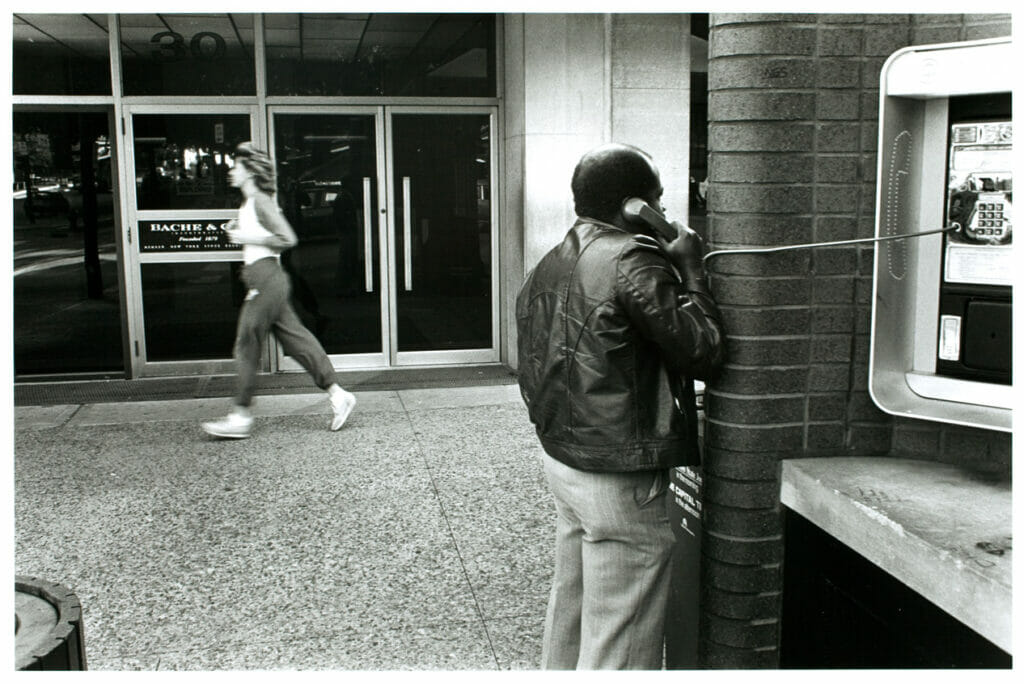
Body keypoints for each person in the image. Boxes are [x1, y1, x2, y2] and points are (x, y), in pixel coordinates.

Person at [515, 143, 726, 669]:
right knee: (621, 636)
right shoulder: (633, 257)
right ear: (637, 205)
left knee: (574, 607)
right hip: (619, 472)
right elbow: (703, 349)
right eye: (657, 197)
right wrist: (691, 272)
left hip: (565, 460)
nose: (662, 208)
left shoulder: (553, 259)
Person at [202, 142, 356, 439]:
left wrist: (244, 235)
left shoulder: (259, 199)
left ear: (249, 171)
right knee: (297, 340)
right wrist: (243, 229)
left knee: (246, 343)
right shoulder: (252, 203)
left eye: (236, 166)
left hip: (267, 280)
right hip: (265, 279)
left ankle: (241, 415)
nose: (231, 171)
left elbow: (288, 238)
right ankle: (338, 394)